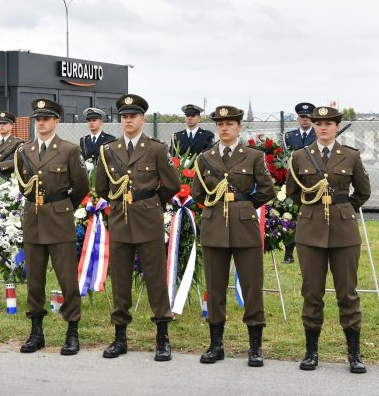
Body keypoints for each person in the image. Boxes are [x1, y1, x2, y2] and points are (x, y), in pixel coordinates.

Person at [95, 94, 180, 362]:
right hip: (120, 219)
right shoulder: (109, 150)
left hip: (147, 220)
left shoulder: (156, 149)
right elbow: (101, 187)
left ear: (142, 119)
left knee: (155, 278)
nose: (128, 121)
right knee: (120, 280)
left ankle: (162, 337)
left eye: (133, 116)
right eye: (124, 117)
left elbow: (172, 185)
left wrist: (150, 202)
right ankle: (120, 337)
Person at [287, 105, 371, 374]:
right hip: (310, 231)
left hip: (344, 233)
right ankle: (311, 353)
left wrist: (343, 208)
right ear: (313, 126)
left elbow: (363, 191)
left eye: (329, 124)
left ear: (336, 127)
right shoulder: (300, 156)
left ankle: (354, 354)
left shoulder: (350, 155)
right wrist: (314, 209)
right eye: (319, 124)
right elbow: (293, 192)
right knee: (312, 292)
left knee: (347, 293)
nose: (323, 128)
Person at [191, 105, 276, 367]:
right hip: (214, 225)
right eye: (220, 124)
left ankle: (255, 347)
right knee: (215, 287)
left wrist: (244, 206)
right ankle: (216, 345)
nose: (224, 128)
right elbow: (197, 193)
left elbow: (267, 189)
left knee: (252, 287)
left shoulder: (253, 156)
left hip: (244, 227)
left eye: (229, 124)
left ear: (239, 127)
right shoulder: (205, 158)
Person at [14, 98, 89, 355]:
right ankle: (36, 333)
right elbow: (24, 185)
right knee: (34, 280)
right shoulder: (24, 151)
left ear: (56, 121)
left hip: (59, 220)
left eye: (46, 118)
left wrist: (62, 206)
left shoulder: (69, 150)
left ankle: (72, 332)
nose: (41, 123)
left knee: (67, 279)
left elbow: (81, 186)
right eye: (37, 119)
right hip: (33, 220)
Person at [282, 102, 316, 263]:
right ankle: (289, 252)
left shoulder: (318, 135)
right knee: (290, 217)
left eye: (308, 117)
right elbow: (285, 158)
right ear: (298, 118)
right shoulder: (289, 137)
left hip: (313, 182)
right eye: (302, 117)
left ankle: (315, 250)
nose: (305, 119)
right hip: (294, 182)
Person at [0, 111, 24, 175]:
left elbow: (20, 160)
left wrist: (0, 165)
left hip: (10, 177)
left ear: (11, 126)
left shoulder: (17, 143)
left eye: (4, 123)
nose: (1, 125)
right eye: (0, 123)